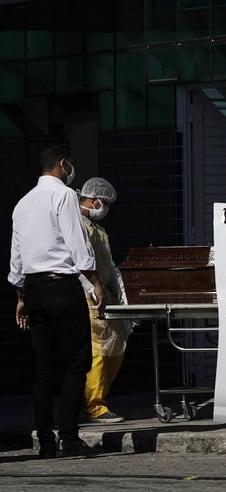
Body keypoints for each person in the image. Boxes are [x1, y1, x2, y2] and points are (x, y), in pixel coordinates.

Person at [8, 144, 106, 459]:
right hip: (62, 287)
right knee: (77, 362)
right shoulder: (63, 196)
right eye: (70, 165)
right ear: (63, 164)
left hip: (34, 290)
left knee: (43, 368)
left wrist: (21, 296)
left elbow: (17, 256)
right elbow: (76, 244)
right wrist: (95, 282)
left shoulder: (22, 204)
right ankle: (69, 438)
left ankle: (46, 444)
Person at [78, 177, 132, 424]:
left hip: (104, 294)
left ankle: (101, 398)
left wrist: (117, 292)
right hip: (89, 295)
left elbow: (107, 264)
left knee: (115, 347)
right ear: (92, 199)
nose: (105, 207)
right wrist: (93, 289)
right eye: (104, 202)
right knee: (98, 351)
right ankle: (94, 404)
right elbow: (81, 262)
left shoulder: (98, 229)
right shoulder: (79, 226)